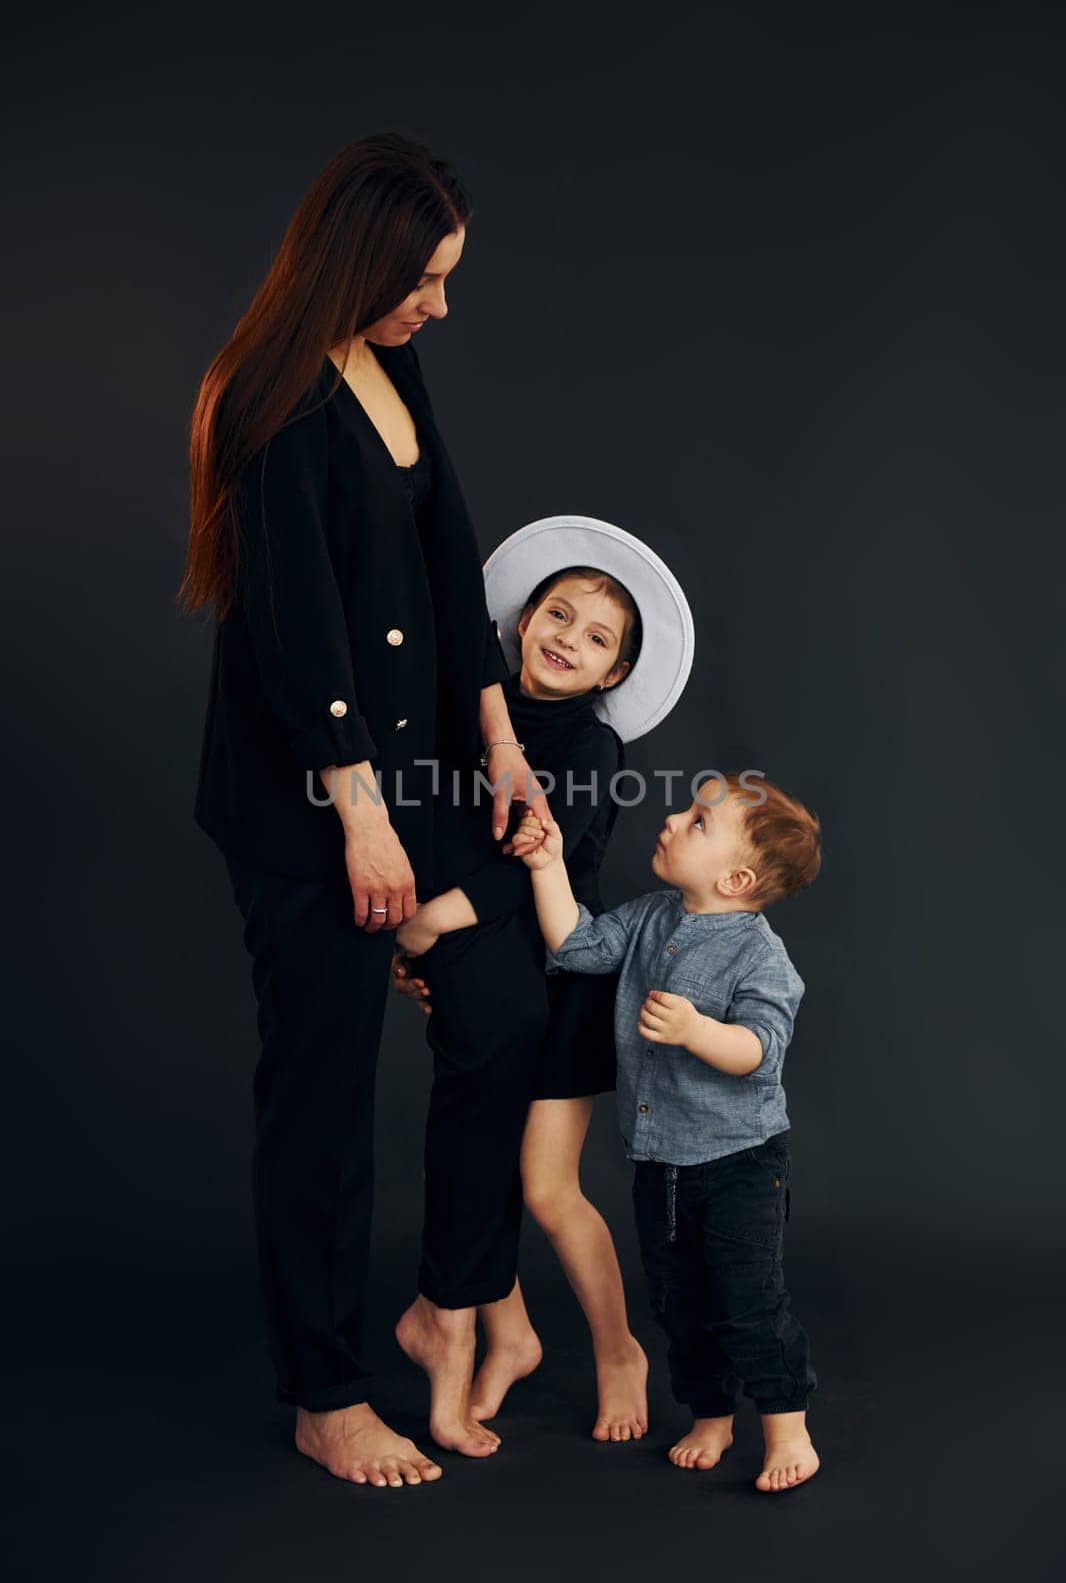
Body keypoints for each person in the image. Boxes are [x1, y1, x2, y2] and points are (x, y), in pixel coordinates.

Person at [179, 131, 548, 1490]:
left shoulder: (389, 363)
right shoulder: (270, 396)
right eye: (423, 280)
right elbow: (299, 634)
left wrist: (497, 736)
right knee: (324, 1101)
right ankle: (324, 1393)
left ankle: (448, 1301)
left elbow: (447, 557)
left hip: (420, 779)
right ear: (359, 263)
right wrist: (363, 820)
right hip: (311, 805)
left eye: (447, 280)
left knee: (502, 1010)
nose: (437, 306)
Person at [389, 516, 695, 1453]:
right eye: (557, 614)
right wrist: (430, 943)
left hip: (564, 970)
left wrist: (437, 918)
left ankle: (617, 1352)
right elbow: (441, 825)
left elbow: (537, 865)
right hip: (487, 965)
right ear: (522, 621)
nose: (568, 638)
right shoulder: (472, 715)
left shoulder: (590, 750)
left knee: (546, 1185)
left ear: (611, 674)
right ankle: (509, 1332)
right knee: (483, 1144)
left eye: (596, 637)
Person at [509, 769, 823, 1493]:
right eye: (687, 809)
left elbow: (760, 1051)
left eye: (699, 822)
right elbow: (578, 947)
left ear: (738, 878)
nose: (676, 819)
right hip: (663, 1164)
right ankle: (710, 1416)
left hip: (742, 1162)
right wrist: (548, 863)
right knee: (680, 1302)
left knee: (748, 1299)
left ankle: (787, 1427)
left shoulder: (759, 956)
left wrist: (699, 1031)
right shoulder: (652, 916)